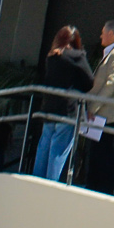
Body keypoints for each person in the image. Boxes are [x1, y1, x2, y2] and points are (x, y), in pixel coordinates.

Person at [78, 20, 114, 192]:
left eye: (103, 32)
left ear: (111, 34)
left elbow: (111, 85)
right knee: (99, 150)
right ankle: (97, 186)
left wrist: (92, 108)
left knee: (101, 151)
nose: (100, 35)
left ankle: (100, 189)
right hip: (105, 111)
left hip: (107, 112)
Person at [35, 25, 91, 180]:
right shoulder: (77, 56)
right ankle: (51, 183)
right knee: (59, 149)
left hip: (49, 108)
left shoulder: (52, 56)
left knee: (44, 145)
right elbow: (89, 82)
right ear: (76, 40)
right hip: (67, 109)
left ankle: (36, 180)